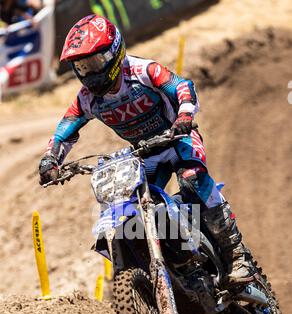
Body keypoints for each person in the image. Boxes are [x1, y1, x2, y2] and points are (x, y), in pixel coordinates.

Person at [39, 14, 256, 285]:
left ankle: (237, 256)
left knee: (191, 179)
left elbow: (182, 86)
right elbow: (64, 130)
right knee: (132, 204)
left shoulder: (142, 71)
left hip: (178, 139)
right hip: (144, 153)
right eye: (82, 67)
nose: (90, 73)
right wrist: (51, 159)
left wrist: (185, 115)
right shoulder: (87, 99)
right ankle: (172, 263)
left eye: (94, 63)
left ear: (113, 53)